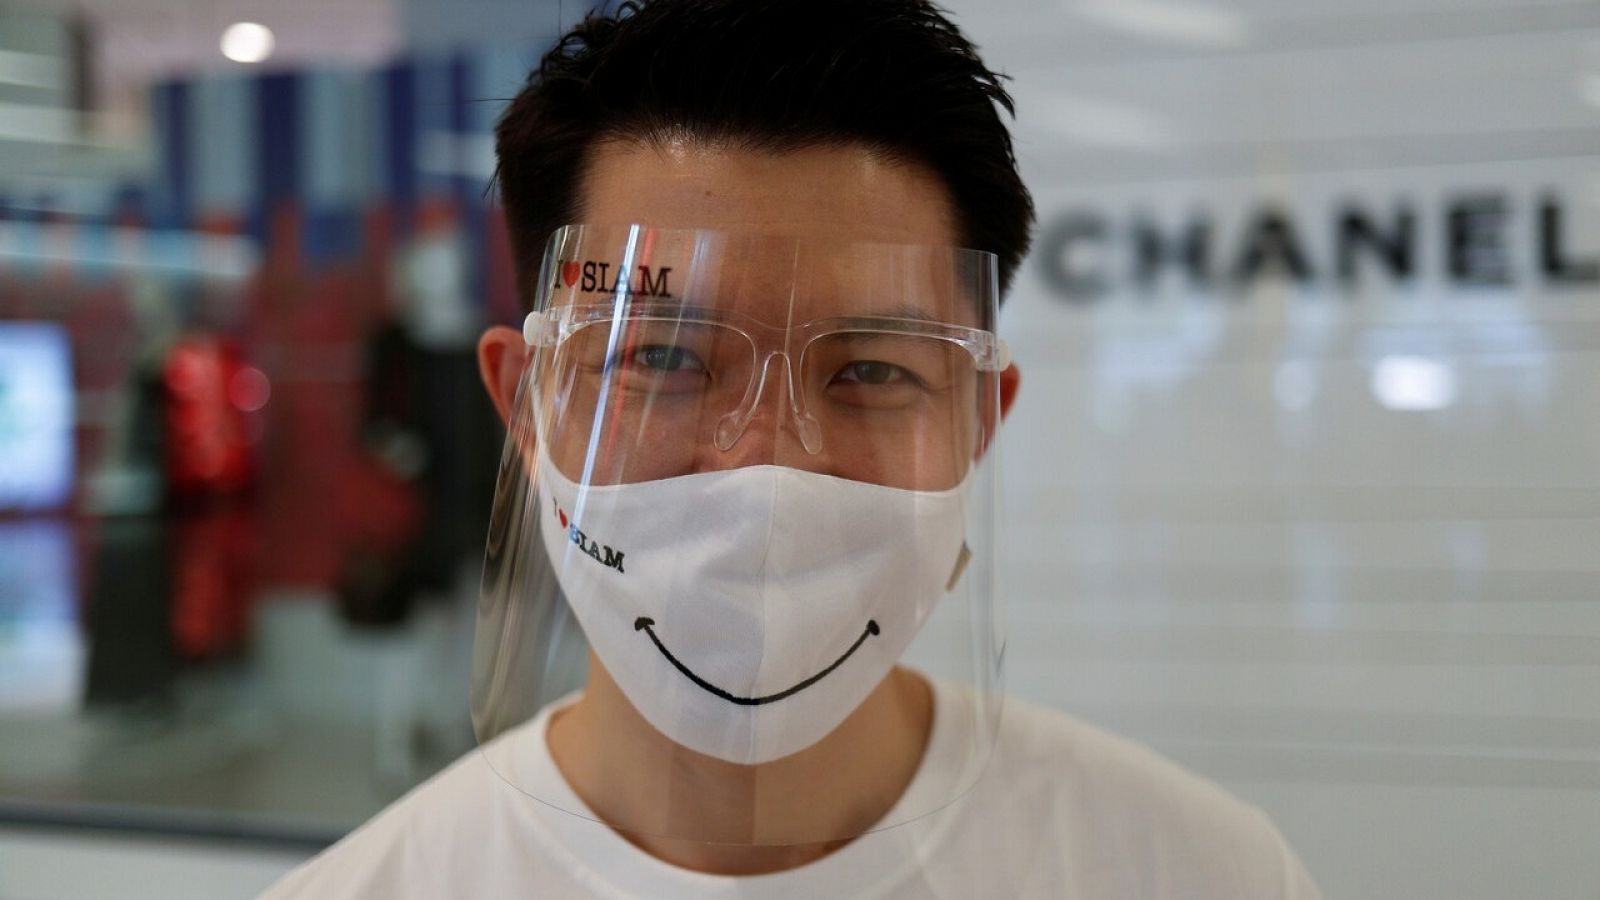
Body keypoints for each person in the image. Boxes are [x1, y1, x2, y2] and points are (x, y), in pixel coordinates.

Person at [264, 1, 1321, 896]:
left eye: (869, 371)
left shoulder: (1197, 873)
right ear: (527, 404)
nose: (762, 469)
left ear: (978, 420)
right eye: (664, 362)